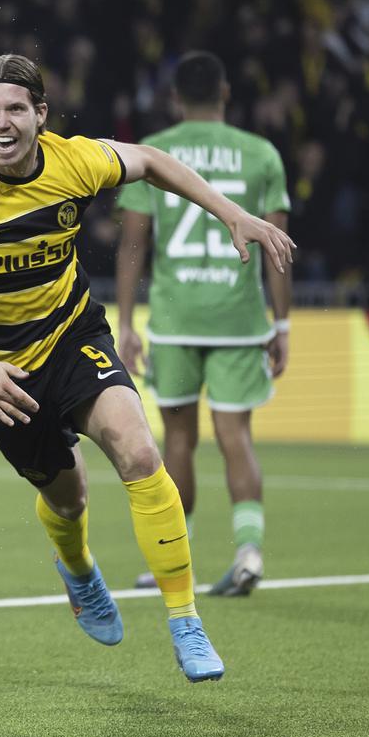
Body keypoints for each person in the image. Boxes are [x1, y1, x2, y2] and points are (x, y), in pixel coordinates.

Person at [0, 54, 294, 683]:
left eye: (16, 109)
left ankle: (185, 622)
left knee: (138, 451)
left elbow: (153, 162)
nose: (2, 123)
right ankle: (77, 569)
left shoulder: (75, 160)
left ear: (40, 115)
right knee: (68, 497)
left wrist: (231, 212)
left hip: (73, 335)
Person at [116, 51, 292, 596]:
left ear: (174, 98)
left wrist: (125, 322)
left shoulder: (156, 150)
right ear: (226, 93)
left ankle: (178, 560)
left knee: (180, 440)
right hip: (238, 317)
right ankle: (249, 552)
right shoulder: (261, 154)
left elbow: (133, 243)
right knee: (235, 435)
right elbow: (275, 248)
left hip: (174, 317)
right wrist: (280, 324)